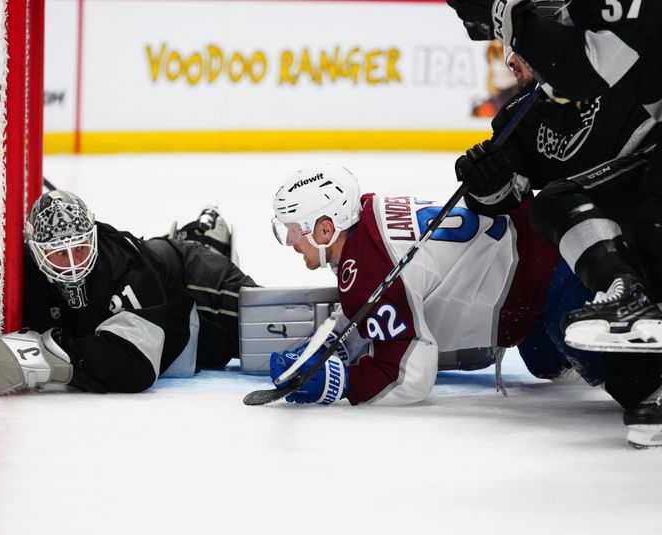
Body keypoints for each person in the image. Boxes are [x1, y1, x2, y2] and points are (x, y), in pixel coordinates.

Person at [267, 164, 662, 448]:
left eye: (292, 231)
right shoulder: (367, 211)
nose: (290, 243)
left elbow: (407, 376)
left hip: (549, 279)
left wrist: (341, 385)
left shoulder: (365, 272)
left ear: (325, 228)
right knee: (543, 363)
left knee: (634, 381)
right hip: (532, 266)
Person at [446, 1, 662, 348]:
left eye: (514, 48)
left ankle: (630, 296)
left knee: (568, 202)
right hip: (617, 231)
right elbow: (506, 193)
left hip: (647, 193)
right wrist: (486, 185)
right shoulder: (519, 118)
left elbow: (584, 67)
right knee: (603, 372)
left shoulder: (611, 67)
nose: (509, 61)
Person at [0, 190, 256, 396]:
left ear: (92, 238)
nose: (73, 264)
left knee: (275, 324)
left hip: (195, 288)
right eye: (59, 255)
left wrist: (43, 356)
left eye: (80, 249)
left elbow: (137, 366)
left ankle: (205, 240)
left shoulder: (126, 267)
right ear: (36, 252)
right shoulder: (12, 277)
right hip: (163, 290)